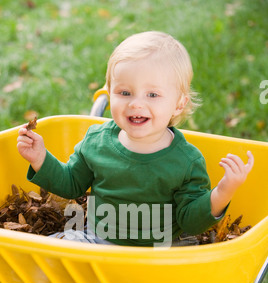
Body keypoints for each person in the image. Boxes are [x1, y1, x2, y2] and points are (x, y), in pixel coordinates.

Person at [17, 31, 254, 247]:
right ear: (110, 94)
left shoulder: (186, 161)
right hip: (100, 240)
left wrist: (223, 191)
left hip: (163, 247)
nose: (136, 103)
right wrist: (41, 159)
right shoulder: (96, 142)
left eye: (152, 94)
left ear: (178, 104)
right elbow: (71, 184)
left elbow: (190, 221)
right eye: (125, 92)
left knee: (188, 262)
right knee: (54, 248)